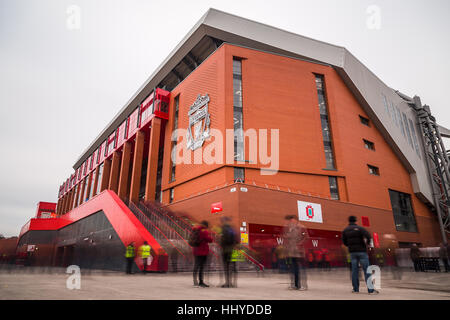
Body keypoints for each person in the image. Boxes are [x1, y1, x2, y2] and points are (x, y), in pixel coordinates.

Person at [342, 216, 378, 294]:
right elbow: (368, 236)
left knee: (354, 271)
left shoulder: (345, 230)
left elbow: (344, 241)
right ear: (355, 221)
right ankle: (370, 290)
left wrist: (350, 246)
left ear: (349, 221)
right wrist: (367, 244)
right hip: (362, 251)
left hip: (352, 253)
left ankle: (355, 289)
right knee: (366, 270)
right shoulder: (360, 228)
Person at [283, 215, 307, 290]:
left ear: (296, 220)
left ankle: (303, 285)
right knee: (293, 269)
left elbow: (306, 237)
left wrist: (299, 244)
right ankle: (295, 285)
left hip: (299, 252)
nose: (290, 222)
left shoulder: (302, 227)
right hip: (292, 252)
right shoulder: (289, 229)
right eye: (290, 221)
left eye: (292, 220)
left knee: (301, 269)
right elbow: (288, 238)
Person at [219, 216, 239, 288]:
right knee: (233, 266)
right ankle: (234, 283)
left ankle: (227, 283)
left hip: (226, 250)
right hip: (234, 250)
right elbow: (237, 240)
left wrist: (221, 244)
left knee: (226, 266)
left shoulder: (224, 229)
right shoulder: (233, 229)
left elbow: (223, 240)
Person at [192, 220, 213, 287]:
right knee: (201, 267)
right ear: (205, 225)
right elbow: (210, 240)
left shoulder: (195, 230)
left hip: (196, 250)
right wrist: (210, 237)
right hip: (202, 251)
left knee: (196, 266)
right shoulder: (204, 231)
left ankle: (195, 281)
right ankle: (201, 282)